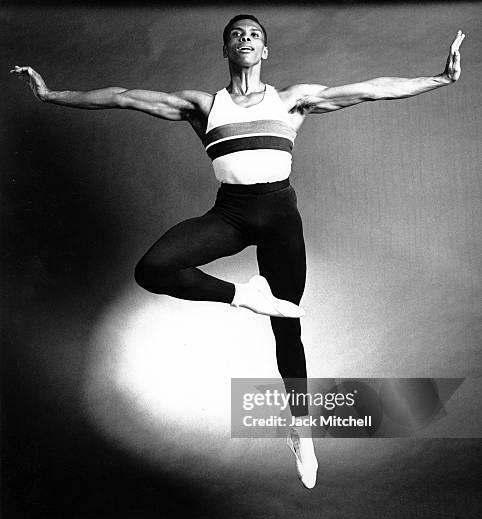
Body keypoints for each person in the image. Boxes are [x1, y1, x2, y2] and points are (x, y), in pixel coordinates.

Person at [11, 16, 465, 489]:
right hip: (230, 217)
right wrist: (51, 95)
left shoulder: (293, 99)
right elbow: (123, 95)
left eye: (254, 36)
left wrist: (439, 78)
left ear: (264, 51)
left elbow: (372, 89)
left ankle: (300, 429)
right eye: (237, 35)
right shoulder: (202, 106)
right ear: (226, 50)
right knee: (153, 269)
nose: (246, 39)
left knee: (288, 328)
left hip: (281, 223)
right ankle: (241, 295)